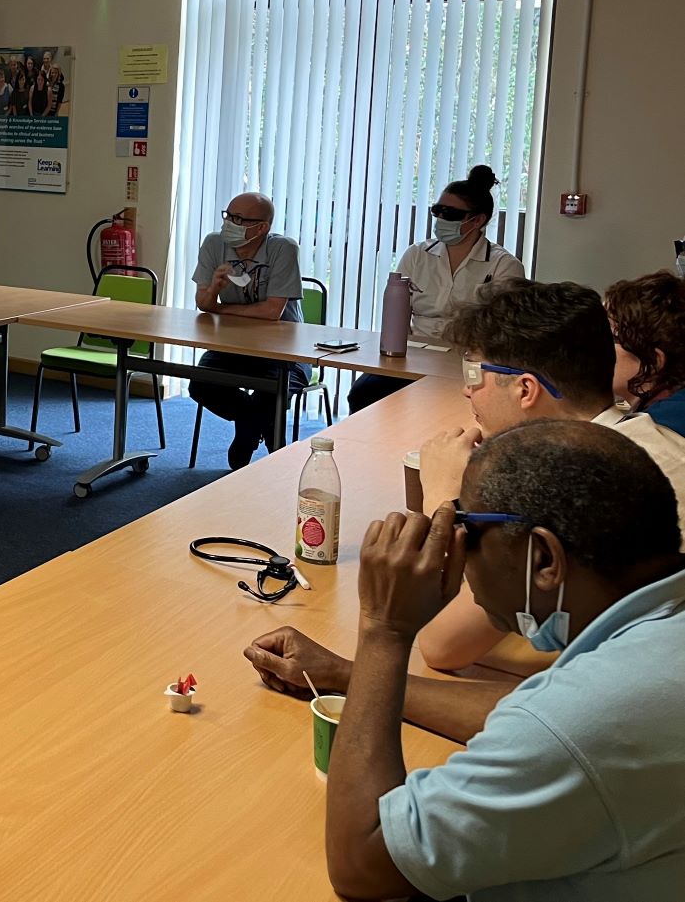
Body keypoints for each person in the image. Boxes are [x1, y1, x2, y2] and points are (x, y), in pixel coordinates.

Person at [253, 422, 685, 902]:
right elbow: (527, 711)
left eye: (468, 529)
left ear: (544, 558)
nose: (453, 549)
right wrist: (346, 675)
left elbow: (362, 864)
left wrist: (383, 632)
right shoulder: (655, 638)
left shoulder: (585, 724)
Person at [412, 279, 685, 674]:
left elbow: (441, 645)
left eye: (474, 374)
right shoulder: (644, 437)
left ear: (526, 389)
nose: (467, 392)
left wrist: (443, 503)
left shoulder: (573, 482)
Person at [348, 165, 524, 412]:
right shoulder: (417, 254)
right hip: (413, 357)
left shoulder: (503, 265)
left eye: (450, 214)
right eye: (437, 211)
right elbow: (396, 314)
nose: (441, 219)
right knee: (364, 392)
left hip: (468, 362)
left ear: (477, 220)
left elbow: (504, 333)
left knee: (450, 406)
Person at [189, 192, 308, 469]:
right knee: (201, 383)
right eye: (228, 216)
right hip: (234, 346)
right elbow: (202, 303)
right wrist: (215, 290)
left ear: (262, 227)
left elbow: (271, 312)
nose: (230, 223)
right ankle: (249, 422)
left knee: (272, 394)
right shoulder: (213, 243)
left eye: (239, 219)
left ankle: (256, 441)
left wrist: (219, 309)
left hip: (284, 349)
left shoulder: (283, 249)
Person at [607, 270, 685, 437]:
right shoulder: (643, 399)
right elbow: (623, 407)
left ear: (653, 361)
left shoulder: (663, 429)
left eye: (610, 338)